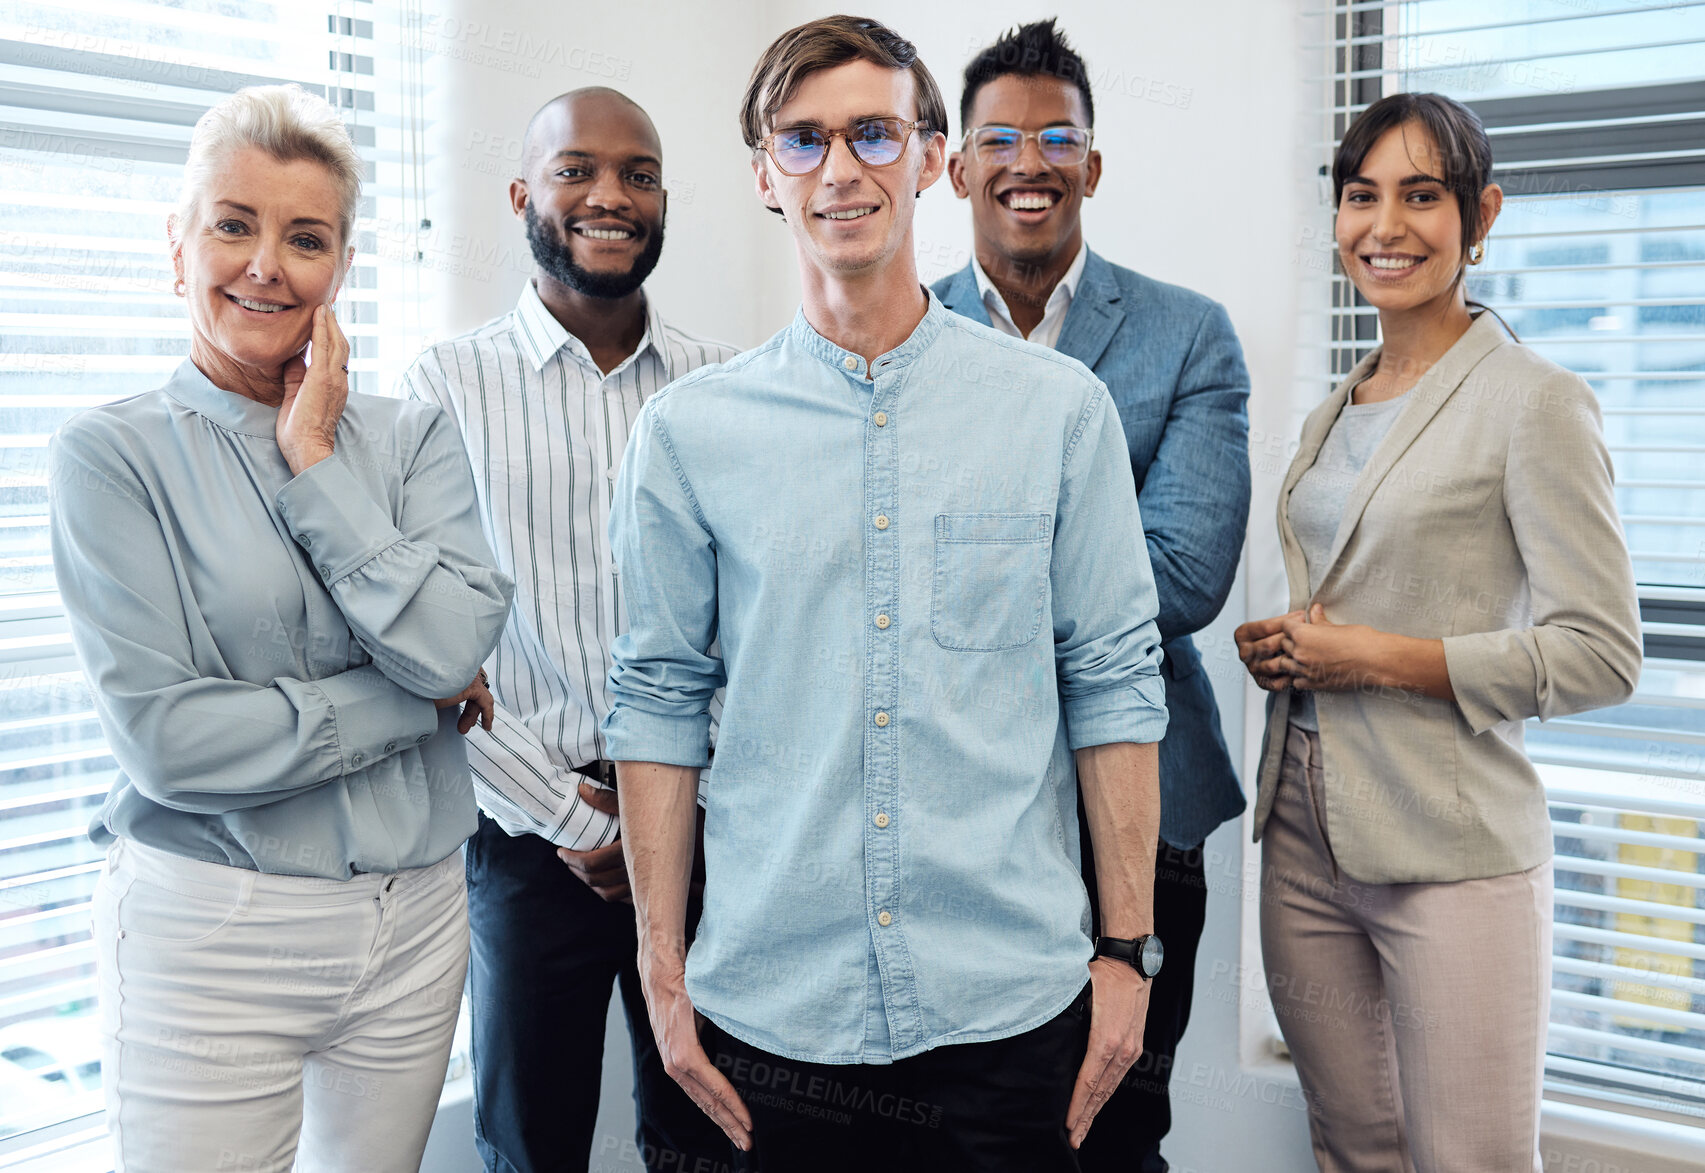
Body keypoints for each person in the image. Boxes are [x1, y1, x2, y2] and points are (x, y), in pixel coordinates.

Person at [603, 15, 1171, 1172]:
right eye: (803, 141)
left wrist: (1126, 953)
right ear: (766, 174)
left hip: (1007, 1020)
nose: (842, 170)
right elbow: (658, 700)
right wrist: (663, 974)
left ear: (930, 157)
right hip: (764, 1026)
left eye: (873, 132)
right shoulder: (687, 436)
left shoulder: (1059, 414)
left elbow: (1111, 683)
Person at [49, 84, 514, 1173]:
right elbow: (168, 745)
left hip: (417, 921)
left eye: (304, 238)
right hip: (215, 928)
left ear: (340, 269)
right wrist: (414, 703)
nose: (266, 264)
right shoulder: (110, 458)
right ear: (179, 249)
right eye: (233, 224)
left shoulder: (413, 440)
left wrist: (314, 460)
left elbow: (456, 647)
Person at [1235, 92, 1640, 1172]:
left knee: (1470, 1161)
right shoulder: (1339, 406)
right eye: (1360, 196)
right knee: (1353, 1148)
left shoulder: (1533, 401)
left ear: (1480, 214)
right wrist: (1292, 645)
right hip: (1305, 832)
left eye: (1421, 196)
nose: (1385, 226)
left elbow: (1600, 653)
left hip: (1452, 851)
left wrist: (1366, 657)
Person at [401, 88, 738, 1173]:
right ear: (521, 196)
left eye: (638, 173)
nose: (610, 194)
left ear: (663, 203)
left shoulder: (723, 388)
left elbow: (756, 616)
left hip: (700, 831)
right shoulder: (441, 387)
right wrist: (570, 817)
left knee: (706, 1134)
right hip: (524, 836)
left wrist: (664, 801)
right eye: (576, 169)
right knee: (527, 1144)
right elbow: (423, 638)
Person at [932, 22, 1250, 1171]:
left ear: (1093, 167)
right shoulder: (897, 334)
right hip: (957, 805)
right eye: (1000, 138)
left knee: (1118, 1134)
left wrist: (964, 585)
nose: (1030, 160)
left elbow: (1182, 577)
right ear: (956, 166)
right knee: (977, 1128)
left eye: (1057, 136)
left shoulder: (1187, 336)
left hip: (1148, 808)